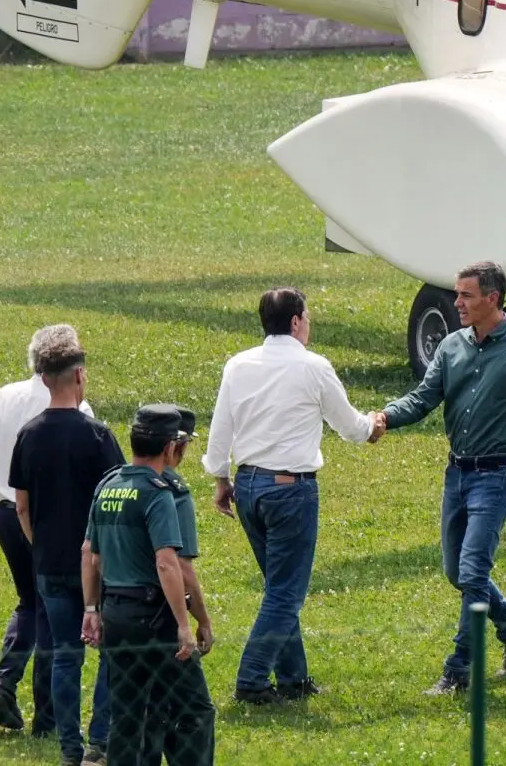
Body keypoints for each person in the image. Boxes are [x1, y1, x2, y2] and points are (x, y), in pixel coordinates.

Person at [377, 261, 506, 696]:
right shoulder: (451, 346)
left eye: (466, 295)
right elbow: (423, 397)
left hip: (497, 474)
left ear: (493, 298)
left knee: (472, 571)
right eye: (457, 294)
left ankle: (458, 671)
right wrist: (385, 417)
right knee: (458, 572)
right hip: (457, 474)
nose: (457, 303)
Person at [203, 287, 384, 705]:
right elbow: (350, 426)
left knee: (277, 585)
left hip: (247, 487)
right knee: (286, 592)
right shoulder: (313, 366)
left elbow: (221, 427)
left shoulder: (238, 364)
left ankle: (293, 678)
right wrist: (373, 425)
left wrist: (220, 479)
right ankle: (251, 679)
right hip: (290, 488)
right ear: (297, 321)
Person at [0, 325, 93, 734]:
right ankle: (46, 715)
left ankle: (5, 682)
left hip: (3, 515)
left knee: (30, 602)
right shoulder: (78, 412)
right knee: (52, 611)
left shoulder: (3, 397)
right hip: (52, 523)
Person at [9, 326, 124, 765]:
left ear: (43, 379)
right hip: (97, 562)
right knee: (110, 651)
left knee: (62, 654)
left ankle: (69, 747)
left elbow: (22, 506)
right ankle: (100, 740)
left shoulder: (29, 434)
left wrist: (42, 543)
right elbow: (116, 500)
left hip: (50, 562)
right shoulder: (97, 435)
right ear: (79, 376)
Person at [80, 404, 200, 765]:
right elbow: (168, 563)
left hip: (115, 612)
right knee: (193, 707)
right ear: (168, 448)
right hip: (152, 614)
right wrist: (184, 624)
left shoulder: (108, 487)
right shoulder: (158, 492)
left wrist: (91, 610)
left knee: (127, 715)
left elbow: (91, 555)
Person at [142, 405, 217, 764]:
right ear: (176, 447)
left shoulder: (115, 483)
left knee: (145, 711)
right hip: (163, 616)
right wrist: (201, 620)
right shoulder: (173, 490)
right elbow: (181, 567)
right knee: (196, 710)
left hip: (120, 614)